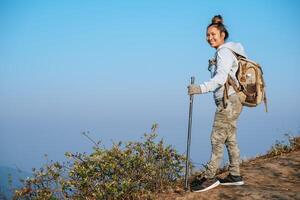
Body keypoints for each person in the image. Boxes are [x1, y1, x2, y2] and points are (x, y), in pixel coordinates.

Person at [187, 15, 246, 192]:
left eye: (213, 34)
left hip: (228, 101)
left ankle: (210, 177)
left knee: (217, 137)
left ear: (222, 34)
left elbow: (220, 79)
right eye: (207, 35)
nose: (210, 38)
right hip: (234, 100)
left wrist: (199, 88)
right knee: (230, 138)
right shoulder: (231, 51)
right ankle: (235, 175)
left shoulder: (223, 52)